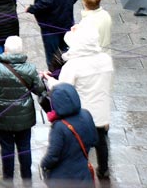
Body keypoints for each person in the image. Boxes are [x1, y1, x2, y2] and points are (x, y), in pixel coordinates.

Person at [46, 27, 114, 180]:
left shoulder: (73, 65)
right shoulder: (106, 59)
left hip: (82, 114)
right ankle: (104, 170)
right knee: (101, 142)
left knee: (80, 146)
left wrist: (48, 79)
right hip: (101, 111)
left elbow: (62, 89)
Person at [0, 35, 46, 184]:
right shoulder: (30, 68)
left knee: (7, 148)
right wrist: (40, 78)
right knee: (25, 147)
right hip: (25, 116)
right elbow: (39, 89)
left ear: (5, 49)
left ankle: (8, 179)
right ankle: (27, 179)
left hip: (2, 116)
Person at [40, 84, 98, 186]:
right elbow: (94, 140)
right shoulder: (86, 114)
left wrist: (43, 164)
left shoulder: (59, 126)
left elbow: (53, 156)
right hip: (84, 176)